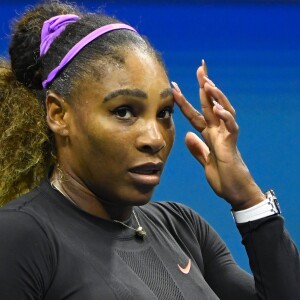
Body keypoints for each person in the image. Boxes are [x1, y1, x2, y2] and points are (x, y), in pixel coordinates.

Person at [0, 1, 299, 299]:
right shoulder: (20, 236)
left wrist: (248, 199)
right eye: (124, 111)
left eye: (164, 113)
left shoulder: (182, 228)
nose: (155, 139)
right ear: (58, 114)